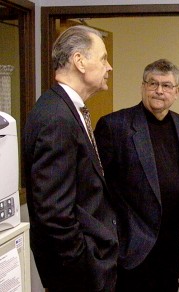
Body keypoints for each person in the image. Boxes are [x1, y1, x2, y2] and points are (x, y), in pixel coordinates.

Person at [24, 25, 118, 292]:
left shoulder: (63, 109)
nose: (109, 66)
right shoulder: (57, 117)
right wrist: (86, 269)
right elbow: (54, 214)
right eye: (102, 58)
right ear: (79, 61)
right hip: (77, 276)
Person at [94, 59, 179, 292]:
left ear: (176, 92)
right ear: (143, 86)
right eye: (153, 83)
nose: (159, 91)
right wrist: (109, 237)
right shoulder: (115, 126)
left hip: (172, 245)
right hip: (132, 247)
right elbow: (95, 188)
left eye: (166, 85)